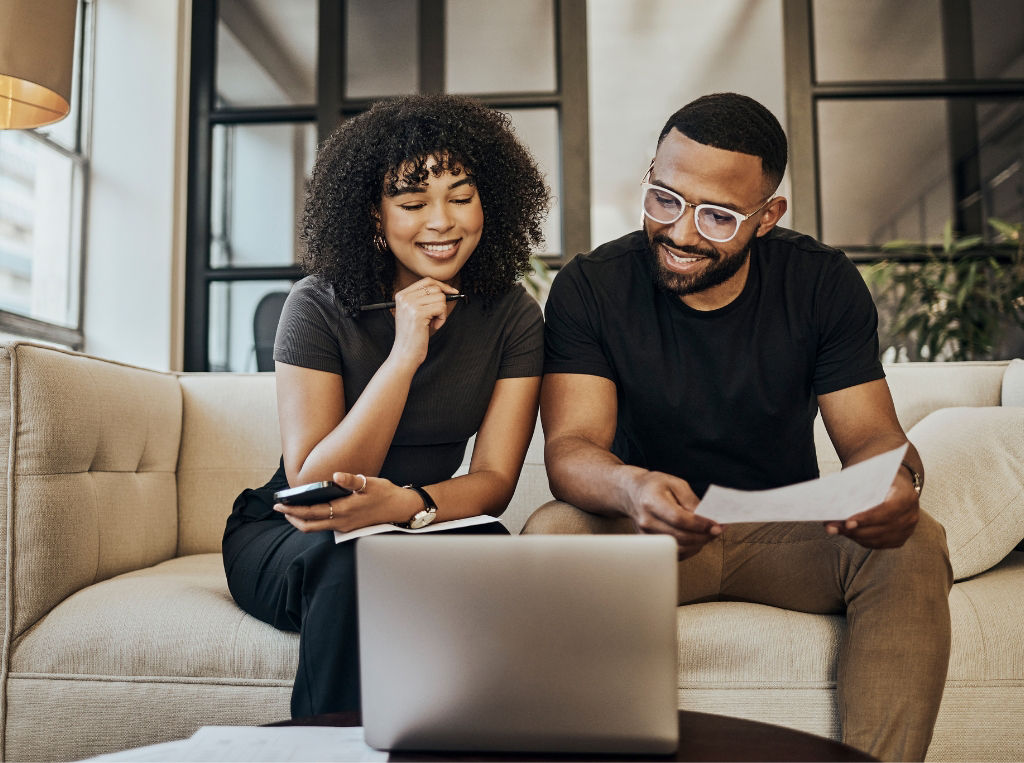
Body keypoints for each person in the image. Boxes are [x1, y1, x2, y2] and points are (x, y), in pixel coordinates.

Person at [528, 92, 952, 762]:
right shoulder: (592, 286)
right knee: (551, 530)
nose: (682, 232)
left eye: (719, 216)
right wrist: (632, 487)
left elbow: (871, 435)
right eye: (665, 198)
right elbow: (571, 449)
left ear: (767, 215)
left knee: (915, 540)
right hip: (649, 530)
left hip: (785, 534)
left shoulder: (820, 282)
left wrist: (896, 480)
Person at [222, 94, 549, 718]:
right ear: (374, 216)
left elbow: (495, 481)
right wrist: (404, 355)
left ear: (490, 201)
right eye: (412, 203)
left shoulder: (511, 314)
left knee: (497, 558)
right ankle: (327, 754)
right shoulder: (316, 305)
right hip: (300, 529)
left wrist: (408, 505)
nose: (442, 221)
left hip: (419, 518)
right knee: (360, 564)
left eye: (460, 196)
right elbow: (314, 482)